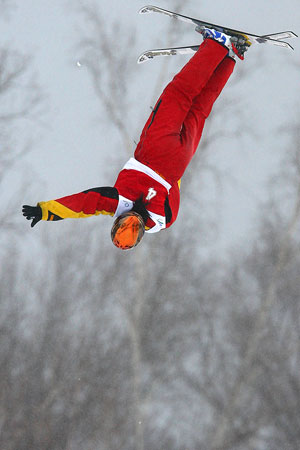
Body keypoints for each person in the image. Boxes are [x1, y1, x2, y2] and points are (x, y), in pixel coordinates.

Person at [22, 29, 250, 250]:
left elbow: (174, 191)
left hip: (179, 161)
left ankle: (229, 57)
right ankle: (216, 44)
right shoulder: (117, 202)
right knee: (179, 94)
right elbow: (84, 203)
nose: (128, 221)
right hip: (154, 151)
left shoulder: (163, 221)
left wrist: (172, 175)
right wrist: (46, 211)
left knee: (199, 110)